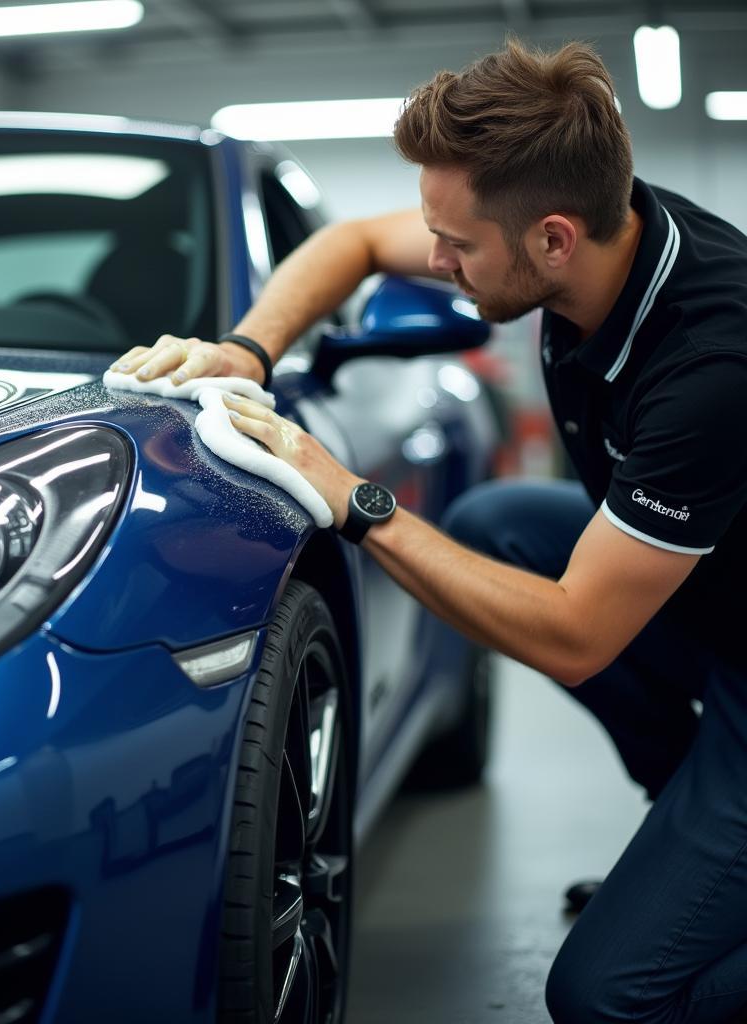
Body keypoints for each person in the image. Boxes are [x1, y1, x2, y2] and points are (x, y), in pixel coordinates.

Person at [112, 40, 747, 1023]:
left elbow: (577, 633)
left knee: (603, 996)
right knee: (500, 523)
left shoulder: (712, 366)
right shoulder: (591, 218)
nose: (435, 262)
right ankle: (687, 819)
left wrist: (354, 498)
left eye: (456, 247)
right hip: (715, 593)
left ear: (550, 242)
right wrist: (245, 352)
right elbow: (356, 244)